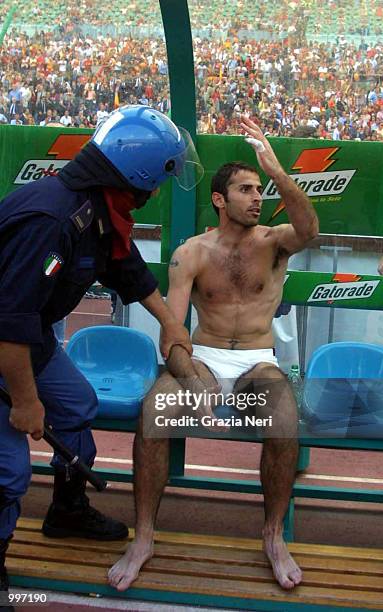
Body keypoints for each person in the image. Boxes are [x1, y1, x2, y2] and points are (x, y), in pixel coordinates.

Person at [108, 115, 319, 592]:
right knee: (154, 410)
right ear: (221, 200)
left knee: (285, 415)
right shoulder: (192, 252)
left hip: (256, 361)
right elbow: (172, 333)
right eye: (246, 189)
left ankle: (272, 536)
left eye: (260, 189)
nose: (257, 197)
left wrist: (279, 173)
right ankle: (143, 537)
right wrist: (192, 379)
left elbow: (309, 229)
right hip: (203, 355)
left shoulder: (275, 243)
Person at [0, 105, 202, 600]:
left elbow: (124, 267)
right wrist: (25, 402)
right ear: (138, 175)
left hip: (30, 340)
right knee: (10, 473)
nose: (157, 191)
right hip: (8, 342)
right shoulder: (52, 219)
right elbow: (9, 322)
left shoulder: (97, 209)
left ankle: (66, 510)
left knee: (76, 407)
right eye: (161, 177)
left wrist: (171, 321)